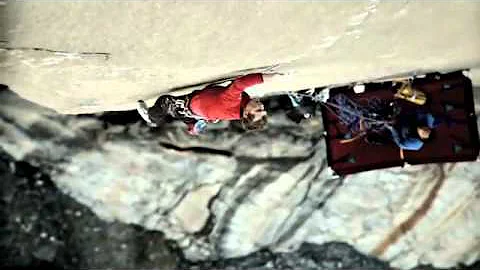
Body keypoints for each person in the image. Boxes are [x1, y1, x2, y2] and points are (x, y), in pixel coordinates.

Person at [138, 73, 282, 135]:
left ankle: (151, 119)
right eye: (263, 109)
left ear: (246, 114)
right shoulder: (240, 110)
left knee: (165, 102)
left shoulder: (233, 103)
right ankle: (193, 127)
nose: (261, 106)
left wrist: (265, 78)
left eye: (258, 110)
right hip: (202, 111)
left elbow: (239, 84)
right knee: (192, 120)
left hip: (188, 106)